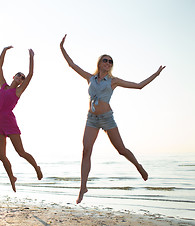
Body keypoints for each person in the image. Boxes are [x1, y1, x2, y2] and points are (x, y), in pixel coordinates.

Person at [60, 34, 166, 204]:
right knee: (86, 151)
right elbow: (72, 64)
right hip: (91, 119)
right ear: (99, 63)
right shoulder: (90, 78)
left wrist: (156, 74)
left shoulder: (113, 81)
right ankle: (82, 187)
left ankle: (138, 166)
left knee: (121, 149)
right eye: (105, 60)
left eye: (110, 62)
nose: (108, 63)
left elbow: (139, 86)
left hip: (107, 118)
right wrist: (62, 47)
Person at [0, 46, 43, 192]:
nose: (20, 77)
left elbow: (31, 74)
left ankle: (36, 167)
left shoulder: (18, 91)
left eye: (22, 77)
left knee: (20, 152)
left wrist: (31, 58)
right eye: (18, 75)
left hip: (9, 122)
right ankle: (12, 177)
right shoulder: (3, 86)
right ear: (13, 77)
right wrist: (4, 51)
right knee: (1, 156)